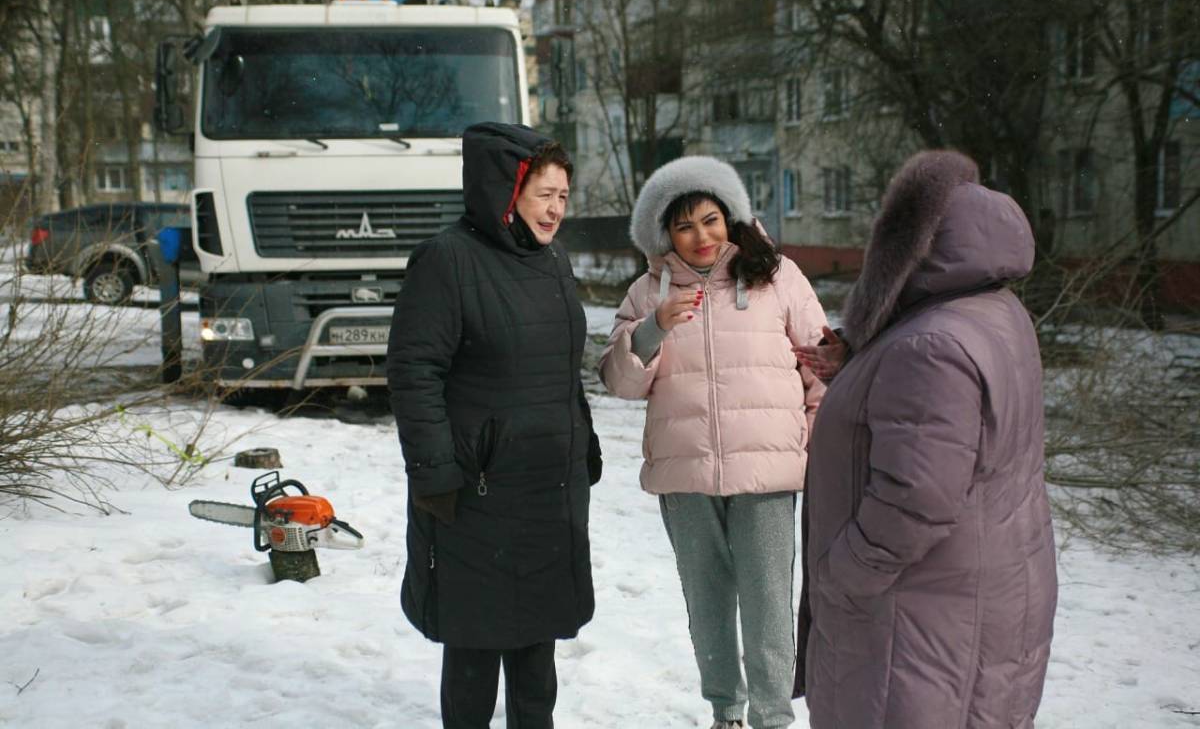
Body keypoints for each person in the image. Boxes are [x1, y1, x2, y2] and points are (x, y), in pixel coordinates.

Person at [798, 150, 1057, 728]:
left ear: (916, 249)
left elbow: (915, 498)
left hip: (915, 617)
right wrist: (862, 375)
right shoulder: (997, 314)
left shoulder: (930, 346)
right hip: (976, 591)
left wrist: (841, 575)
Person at [386, 123, 602, 729]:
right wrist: (434, 473)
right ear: (506, 193)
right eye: (544, 195)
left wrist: (579, 443)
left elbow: (560, 365)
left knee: (536, 652)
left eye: (564, 195)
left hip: (545, 489)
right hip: (473, 492)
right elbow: (413, 371)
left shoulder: (551, 260)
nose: (557, 209)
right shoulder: (447, 260)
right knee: (476, 650)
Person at [599, 156, 827, 729]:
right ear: (663, 234)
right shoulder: (647, 292)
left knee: (770, 604)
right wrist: (655, 327)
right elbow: (620, 382)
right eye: (684, 226)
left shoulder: (777, 278)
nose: (701, 236)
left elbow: (822, 368)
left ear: (732, 218)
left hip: (768, 474)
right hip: (686, 475)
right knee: (708, 606)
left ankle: (772, 717)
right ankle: (725, 712)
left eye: (710, 219)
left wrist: (815, 447)